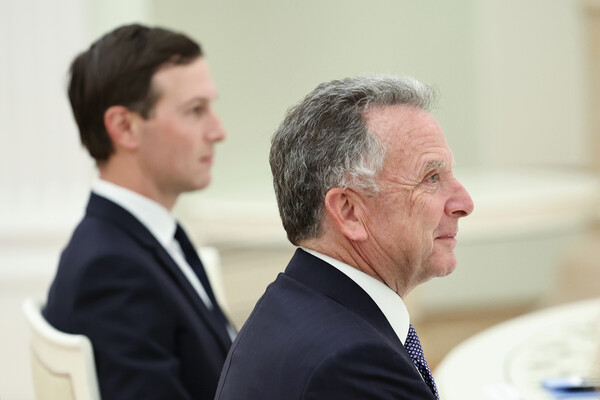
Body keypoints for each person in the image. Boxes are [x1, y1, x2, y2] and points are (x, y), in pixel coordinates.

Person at [215, 75, 474, 399]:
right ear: (349, 211)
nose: (464, 203)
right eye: (431, 178)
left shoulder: (291, 310)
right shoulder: (354, 364)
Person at [44, 23, 234, 400]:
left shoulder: (138, 240)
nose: (218, 131)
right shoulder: (112, 272)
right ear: (124, 127)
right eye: (195, 110)